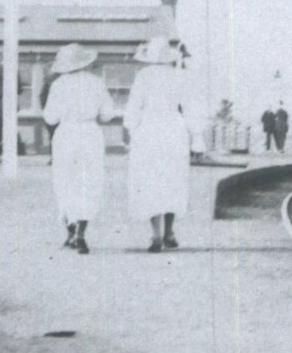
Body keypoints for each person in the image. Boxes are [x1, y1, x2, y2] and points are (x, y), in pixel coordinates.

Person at [41, 44, 116, 253]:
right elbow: (107, 114)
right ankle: (81, 233)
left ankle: (70, 231)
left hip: (66, 134)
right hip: (90, 134)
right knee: (88, 182)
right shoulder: (96, 83)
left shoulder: (58, 85)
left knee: (65, 182)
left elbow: (50, 116)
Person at [125, 37, 192, 252]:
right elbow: (189, 106)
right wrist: (194, 133)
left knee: (151, 178)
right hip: (173, 128)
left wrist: (131, 128)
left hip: (149, 129)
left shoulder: (143, 76)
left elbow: (134, 106)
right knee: (173, 178)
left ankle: (155, 234)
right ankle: (169, 232)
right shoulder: (179, 76)